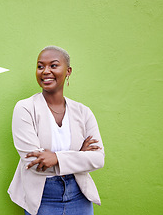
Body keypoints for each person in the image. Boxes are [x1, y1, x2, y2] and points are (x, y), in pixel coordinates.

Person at [7, 46, 105, 215]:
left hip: (79, 195)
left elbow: (97, 159)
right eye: (40, 66)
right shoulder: (25, 108)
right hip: (42, 197)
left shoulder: (83, 112)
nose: (45, 71)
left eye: (53, 65)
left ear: (68, 71)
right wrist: (79, 155)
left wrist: (56, 158)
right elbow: (35, 164)